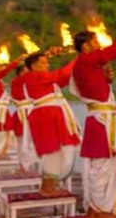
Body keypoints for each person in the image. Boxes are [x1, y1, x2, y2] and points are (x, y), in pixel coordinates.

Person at [71, 26, 116, 218]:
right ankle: (98, 211)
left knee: (102, 167)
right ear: (85, 47)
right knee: (100, 168)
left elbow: (96, 91)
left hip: (101, 120)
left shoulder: (86, 64)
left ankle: (98, 209)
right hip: (101, 122)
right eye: (95, 42)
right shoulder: (86, 60)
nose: (99, 46)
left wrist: (106, 81)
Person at [22, 50, 78, 194]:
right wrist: (80, 58)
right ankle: (47, 187)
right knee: (51, 150)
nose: (47, 65)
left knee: (56, 149)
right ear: (33, 66)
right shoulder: (33, 76)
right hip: (45, 115)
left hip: (50, 113)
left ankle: (50, 184)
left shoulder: (42, 77)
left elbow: (62, 79)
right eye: (42, 63)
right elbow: (62, 74)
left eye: (47, 62)